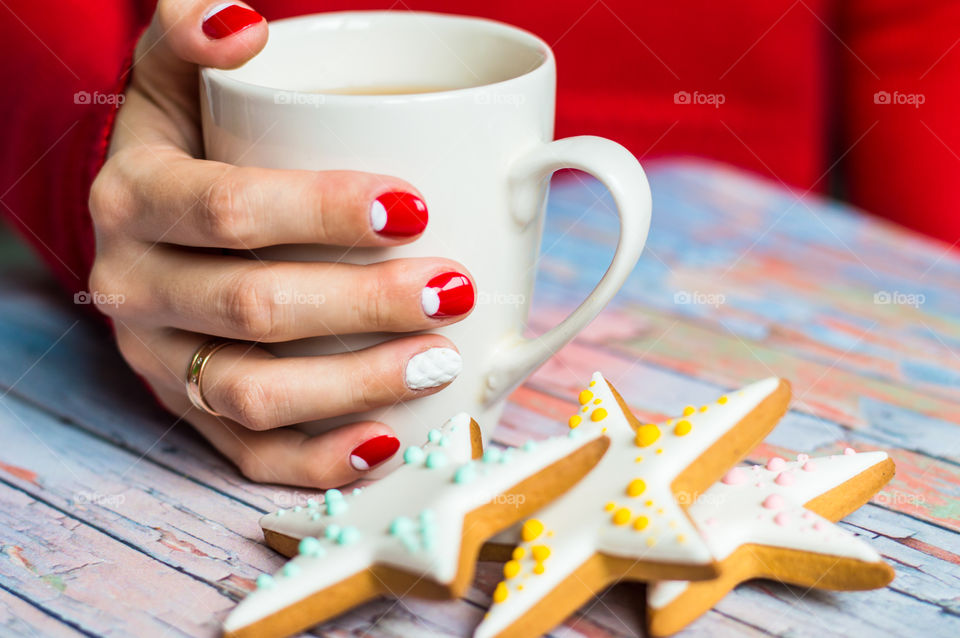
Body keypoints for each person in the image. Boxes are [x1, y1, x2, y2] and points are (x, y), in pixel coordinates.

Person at [1, 0, 957, 488]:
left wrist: (929, 325)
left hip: (762, 303)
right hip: (160, 400)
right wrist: (107, 185)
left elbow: (924, 37)